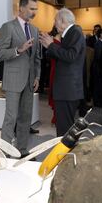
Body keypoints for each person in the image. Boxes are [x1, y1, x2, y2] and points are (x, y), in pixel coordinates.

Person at [0, 0, 41, 157]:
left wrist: (37, 77)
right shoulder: (8, 27)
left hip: (30, 82)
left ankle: (22, 150)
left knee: (25, 118)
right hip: (14, 80)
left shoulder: (35, 30)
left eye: (36, 9)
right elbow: (0, 53)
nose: (34, 12)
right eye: (31, 9)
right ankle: (5, 152)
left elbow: (37, 57)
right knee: (11, 118)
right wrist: (18, 50)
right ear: (21, 8)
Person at [39, 8, 85, 137]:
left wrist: (51, 45)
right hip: (66, 90)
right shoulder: (70, 34)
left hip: (68, 90)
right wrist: (50, 47)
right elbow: (63, 56)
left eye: (55, 21)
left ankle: (66, 156)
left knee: (65, 129)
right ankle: (67, 155)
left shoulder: (75, 32)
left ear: (62, 21)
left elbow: (71, 56)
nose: (54, 24)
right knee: (64, 127)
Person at [91, 28, 102, 107]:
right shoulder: (99, 44)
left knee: (100, 85)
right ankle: (97, 102)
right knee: (97, 85)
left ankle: (99, 101)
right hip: (98, 68)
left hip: (99, 67)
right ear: (101, 35)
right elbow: (98, 57)